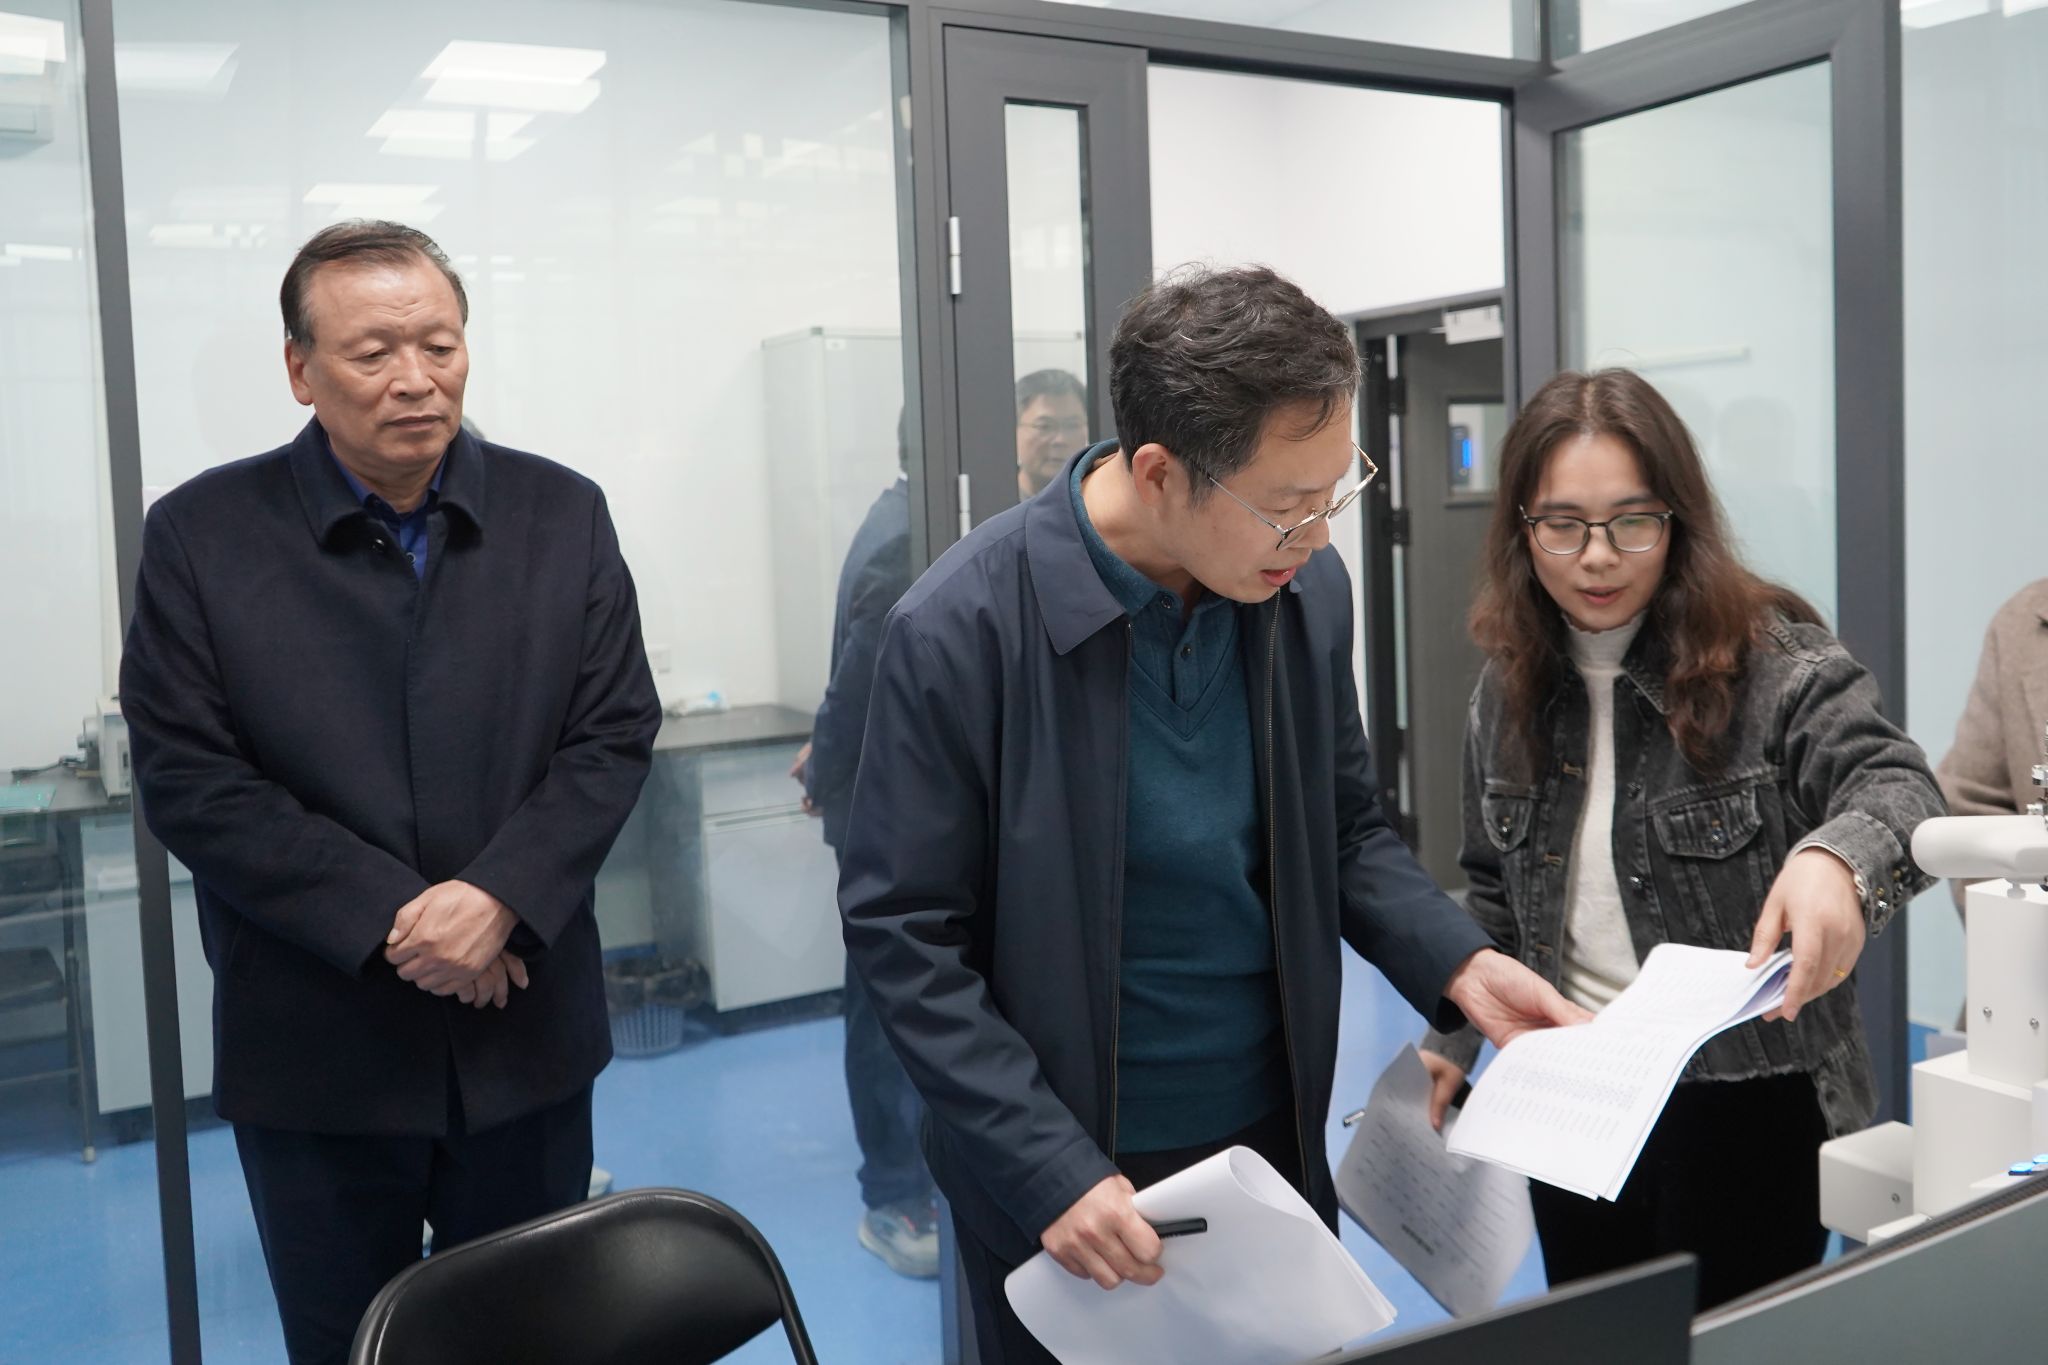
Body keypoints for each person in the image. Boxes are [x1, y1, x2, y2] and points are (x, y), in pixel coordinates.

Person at [839, 264, 1587, 1365]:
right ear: (1158, 473)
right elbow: (905, 937)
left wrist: (1461, 965)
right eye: (1287, 507)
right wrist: (1046, 1166)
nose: (1317, 538)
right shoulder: (962, 628)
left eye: (1335, 492)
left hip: (1264, 1140)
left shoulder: (1298, 594)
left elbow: (1344, 827)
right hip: (1066, 1163)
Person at [120, 220, 662, 1364]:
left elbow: (612, 734)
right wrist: (402, 922)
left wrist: (499, 898)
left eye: (440, 345)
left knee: (532, 1339)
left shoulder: (560, 513)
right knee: (347, 1342)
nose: (415, 379)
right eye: (373, 353)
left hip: (523, 1032)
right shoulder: (203, 535)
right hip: (320, 1050)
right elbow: (190, 778)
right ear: (300, 369)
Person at [1417, 368, 1943, 1310]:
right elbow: (1494, 889)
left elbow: (1900, 787)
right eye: (1563, 525)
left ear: (1678, 520)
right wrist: (1452, 1036)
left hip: (1749, 1095)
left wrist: (1835, 859)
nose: (1598, 557)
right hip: (1571, 1086)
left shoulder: (1776, 664)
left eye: (1632, 522)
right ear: (1523, 529)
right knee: (1607, 1333)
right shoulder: (1506, 688)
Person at [791, 414, 939, 1277]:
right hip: (886, 814)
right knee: (886, 1009)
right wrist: (826, 764)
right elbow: (860, 680)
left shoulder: (900, 515)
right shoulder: (910, 535)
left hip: (889, 803)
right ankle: (893, 1199)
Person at [1015, 368, 1090, 499]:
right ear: (1015, 429)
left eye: (1072, 425)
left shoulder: (1099, 502)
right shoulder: (992, 499)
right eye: (1044, 426)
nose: (1060, 440)